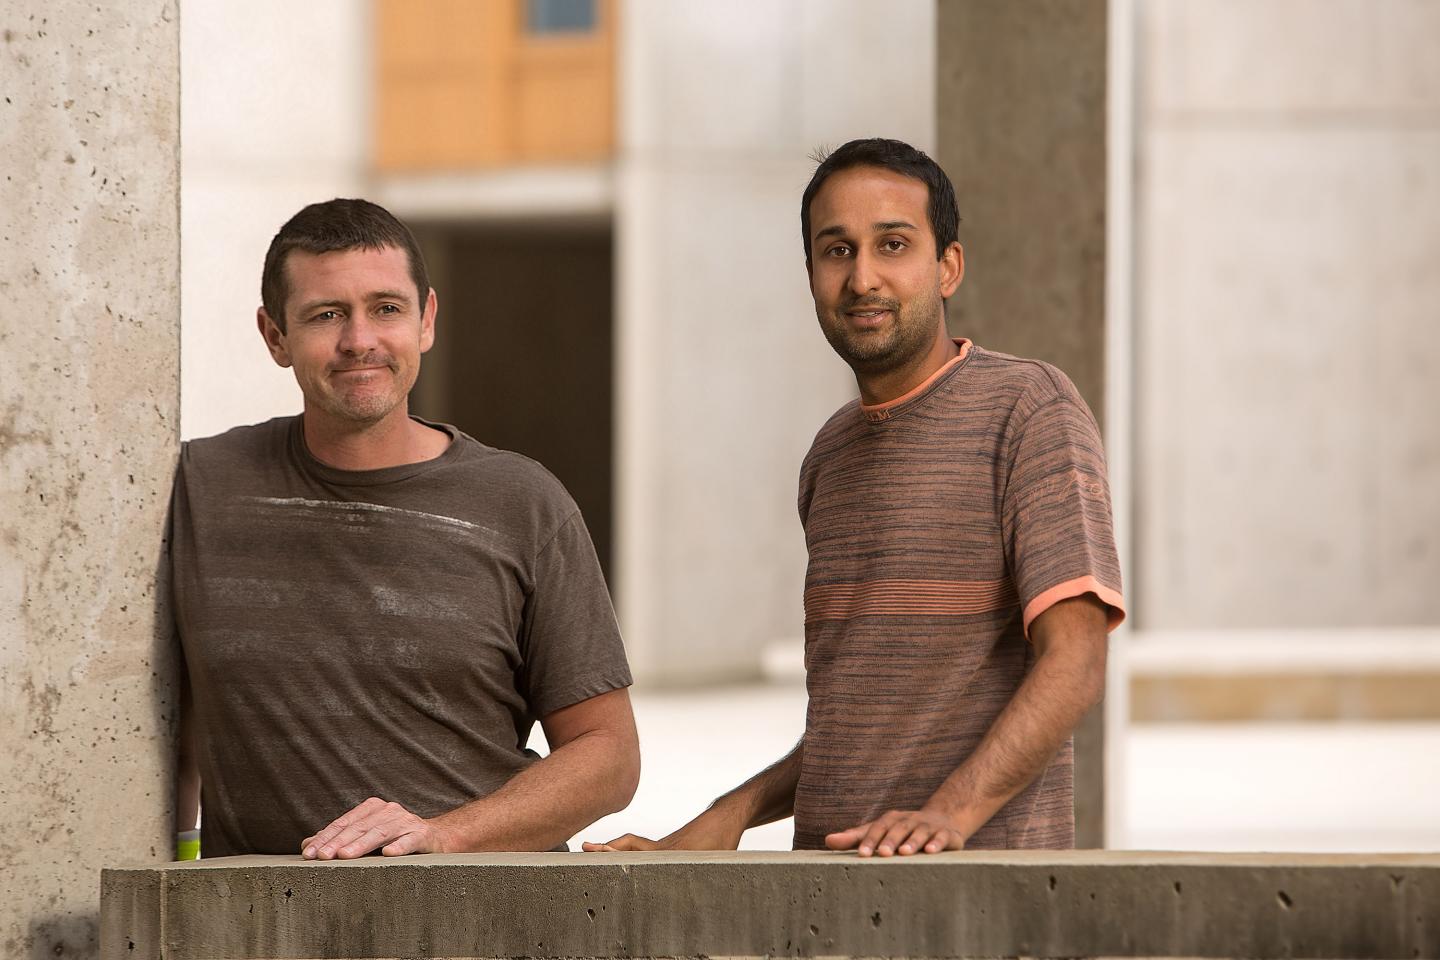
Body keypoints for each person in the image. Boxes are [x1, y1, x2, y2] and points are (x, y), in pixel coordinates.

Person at [585, 138, 1123, 857]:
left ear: (948, 267)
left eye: (893, 245)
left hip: (976, 903)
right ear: (810, 273)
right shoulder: (829, 458)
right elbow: (856, 726)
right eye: (836, 251)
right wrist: (730, 815)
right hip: (827, 903)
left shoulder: (1028, 409)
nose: (862, 277)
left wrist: (951, 815)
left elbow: (1077, 658)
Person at [170, 198, 639, 859]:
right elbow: (166, 729)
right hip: (260, 931)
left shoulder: (524, 503)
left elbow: (609, 756)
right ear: (274, 336)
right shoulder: (197, 488)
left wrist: (445, 835)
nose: (360, 339)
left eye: (386, 309)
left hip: (486, 928)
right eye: (326, 314)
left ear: (427, 321)